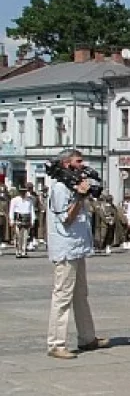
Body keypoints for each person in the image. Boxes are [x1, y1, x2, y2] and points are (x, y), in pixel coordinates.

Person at [46, 149, 110, 359]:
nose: (82, 164)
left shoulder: (71, 185)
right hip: (65, 249)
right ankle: (56, 343)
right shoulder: (59, 188)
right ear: (66, 164)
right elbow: (66, 218)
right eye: (78, 161)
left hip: (77, 248)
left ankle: (87, 337)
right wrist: (80, 196)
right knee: (62, 296)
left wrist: (85, 192)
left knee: (80, 295)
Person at [10, 186, 35, 258]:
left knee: (25, 236)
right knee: (18, 236)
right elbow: (11, 210)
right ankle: (18, 251)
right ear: (19, 192)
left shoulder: (29, 200)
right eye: (21, 191)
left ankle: (24, 251)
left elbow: (31, 211)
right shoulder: (15, 200)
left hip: (27, 218)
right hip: (19, 218)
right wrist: (11, 219)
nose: (23, 193)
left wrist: (32, 220)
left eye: (24, 191)